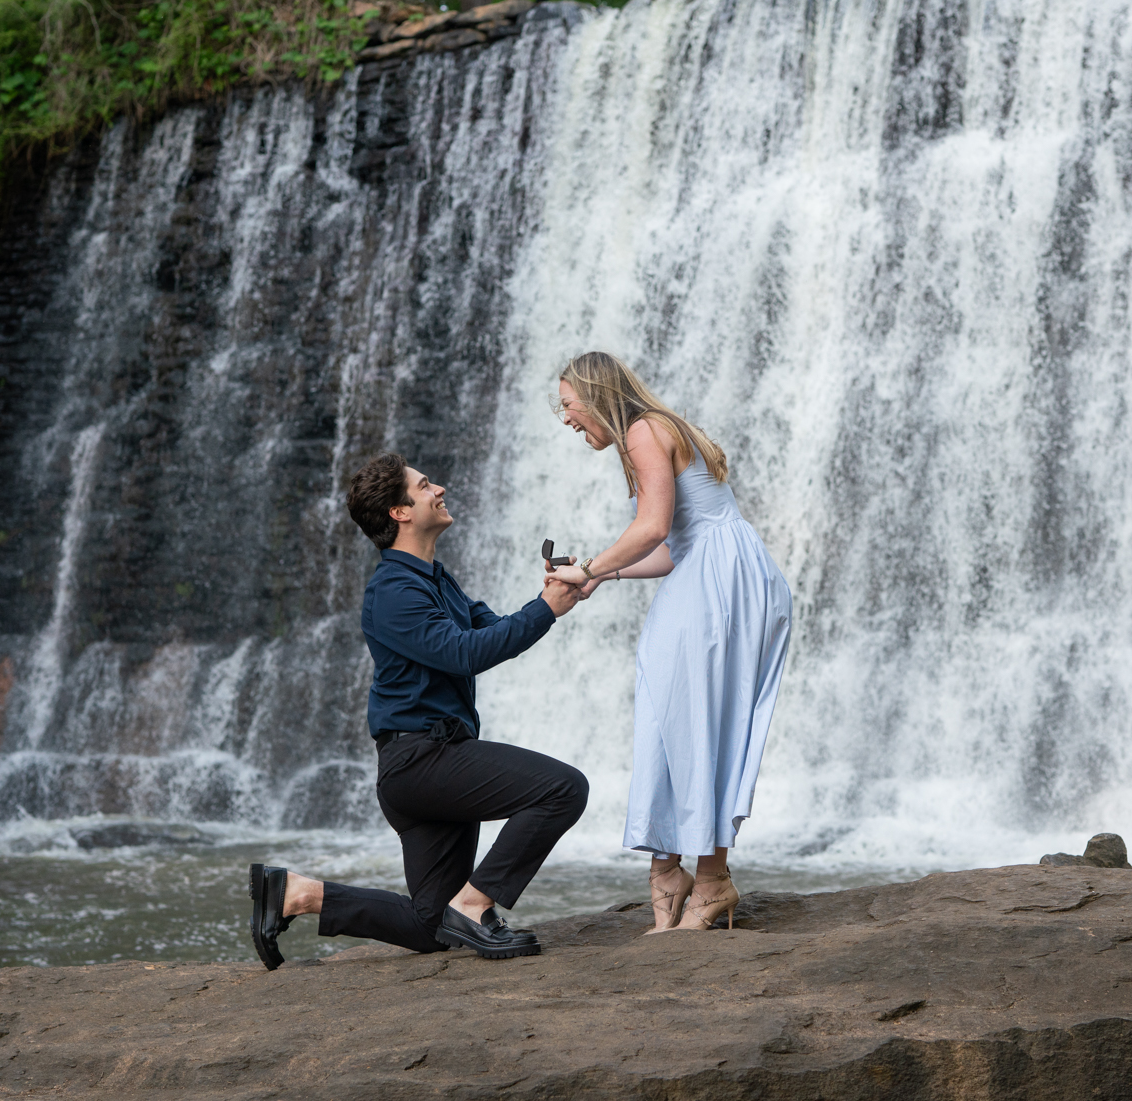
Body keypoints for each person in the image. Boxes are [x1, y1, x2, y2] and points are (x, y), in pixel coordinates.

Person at [246, 453, 589, 968]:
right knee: (564, 788)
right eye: (425, 485)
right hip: (422, 763)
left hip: (434, 765)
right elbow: (465, 653)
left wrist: (552, 595)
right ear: (399, 512)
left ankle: (298, 893)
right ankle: (475, 906)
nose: (439, 489)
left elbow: (488, 630)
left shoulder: (434, 578)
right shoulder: (392, 592)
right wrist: (545, 611)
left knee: (433, 929)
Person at [543, 353, 792, 932]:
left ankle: (708, 881)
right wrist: (598, 573)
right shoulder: (656, 428)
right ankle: (672, 870)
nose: (566, 419)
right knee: (677, 712)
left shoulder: (642, 431)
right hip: (721, 574)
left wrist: (590, 568)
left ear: (595, 394)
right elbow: (672, 546)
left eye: (568, 405)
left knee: (697, 719)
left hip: (720, 584)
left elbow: (653, 527)